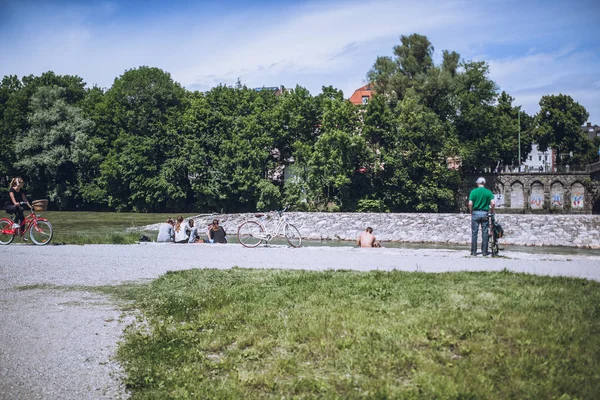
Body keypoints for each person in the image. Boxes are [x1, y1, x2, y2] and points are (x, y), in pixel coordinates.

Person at [468, 177, 495, 256]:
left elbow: (470, 203)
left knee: (474, 233)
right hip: (484, 213)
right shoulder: (488, 192)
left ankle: (473, 252)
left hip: (475, 213)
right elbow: (493, 203)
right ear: (484, 183)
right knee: (485, 233)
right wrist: (492, 211)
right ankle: (484, 252)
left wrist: (471, 211)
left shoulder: (473, 192)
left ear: (477, 183)